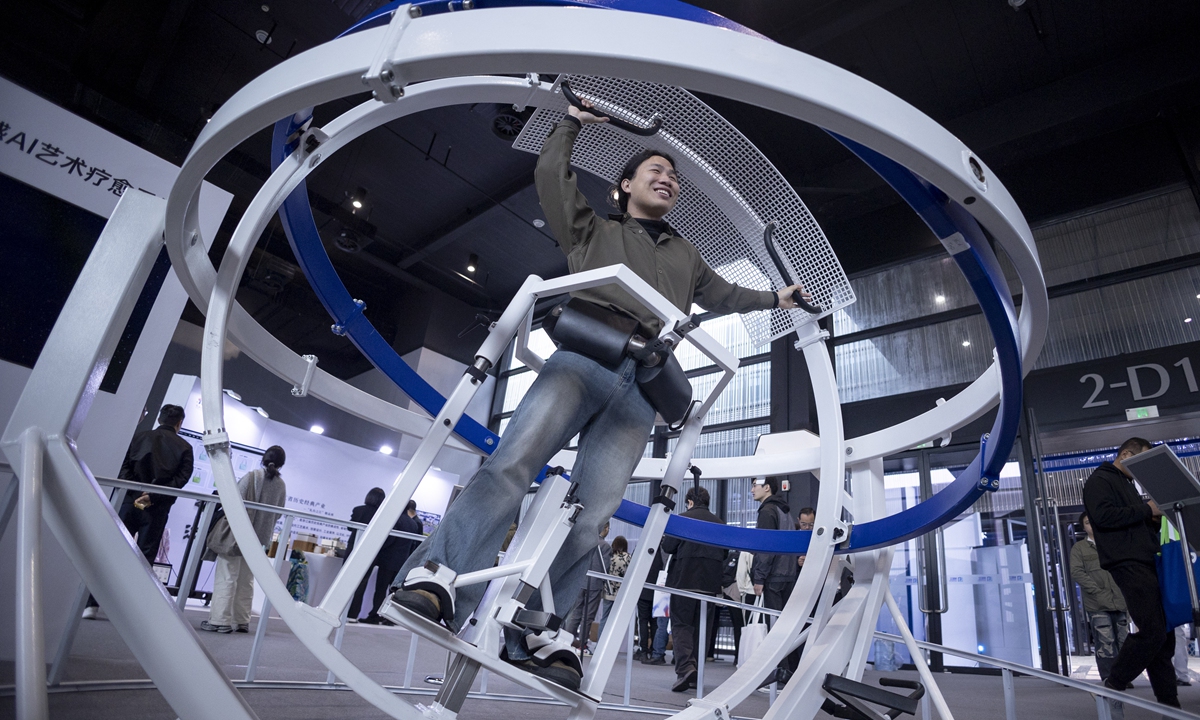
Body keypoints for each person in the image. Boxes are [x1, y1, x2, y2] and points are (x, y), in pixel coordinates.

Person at [388, 97, 808, 691]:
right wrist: (571, 124)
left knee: (594, 515)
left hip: (643, 383)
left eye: (674, 177)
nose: (668, 179)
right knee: (513, 465)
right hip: (585, 356)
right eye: (655, 172)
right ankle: (439, 578)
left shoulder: (686, 254)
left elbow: (724, 296)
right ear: (625, 185)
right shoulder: (595, 230)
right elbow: (549, 179)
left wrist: (777, 298)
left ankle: (534, 629)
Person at [1082, 437, 1179, 708]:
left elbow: (1129, 518)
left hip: (1145, 560)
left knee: (1163, 634)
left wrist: (1151, 518)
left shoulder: (1125, 483)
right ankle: (1113, 683)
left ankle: (1170, 703)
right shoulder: (1100, 480)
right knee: (1153, 631)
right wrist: (1146, 509)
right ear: (1125, 454)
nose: (1141, 471)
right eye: (1138, 462)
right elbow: (1103, 517)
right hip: (1127, 562)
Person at [84, 404, 193, 619]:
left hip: (128, 503)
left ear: (160, 418)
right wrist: (152, 496)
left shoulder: (139, 437)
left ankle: (91, 603)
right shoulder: (185, 448)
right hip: (157, 509)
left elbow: (124, 468)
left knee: (112, 551)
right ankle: (129, 608)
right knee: (145, 558)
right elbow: (181, 479)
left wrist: (136, 494)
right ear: (179, 423)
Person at [201, 446, 287, 634]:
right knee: (246, 579)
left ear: (263, 458)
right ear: (282, 464)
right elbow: (279, 514)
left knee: (227, 575)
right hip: (259, 539)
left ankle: (220, 620)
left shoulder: (252, 476)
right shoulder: (281, 485)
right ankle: (241, 620)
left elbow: (233, 502)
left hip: (238, 536)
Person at [662, 486, 726, 692]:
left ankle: (685, 668)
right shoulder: (719, 523)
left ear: (689, 502)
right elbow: (724, 553)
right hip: (709, 584)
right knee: (702, 629)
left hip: (684, 581)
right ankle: (696, 671)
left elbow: (668, 547)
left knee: (682, 626)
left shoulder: (682, 519)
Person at [1070, 511, 1129, 682]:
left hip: (1119, 599)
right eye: (1088, 523)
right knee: (1105, 642)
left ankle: (1124, 677)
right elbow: (1077, 572)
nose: (1092, 525)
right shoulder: (1079, 548)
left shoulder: (1113, 543)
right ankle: (1109, 678)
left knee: (1124, 641)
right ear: (1083, 527)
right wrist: (1096, 590)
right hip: (1097, 603)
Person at [750, 476, 799, 685]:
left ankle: (781, 671)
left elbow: (765, 548)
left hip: (773, 577)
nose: (752, 490)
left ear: (767, 488)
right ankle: (791, 670)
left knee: (775, 626)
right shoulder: (785, 510)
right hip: (789, 575)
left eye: (755, 485)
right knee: (787, 626)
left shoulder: (767, 511)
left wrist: (759, 577)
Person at [347, 491, 420, 624]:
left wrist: (379, 549)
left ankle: (375, 615)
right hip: (402, 562)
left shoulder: (394, 519)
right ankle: (390, 618)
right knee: (394, 592)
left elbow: (390, 540)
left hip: (387, 560)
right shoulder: (413, 523)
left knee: (380, 590)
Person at [563, 522, 612, 653]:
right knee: (588, 616)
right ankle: (582, 643)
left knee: (575, 613)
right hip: (595, 584)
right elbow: (605, 568)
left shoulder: (585, 541)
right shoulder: (605, 546)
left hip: (580, 581)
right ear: (606, 529)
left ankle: (567, 640)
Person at [597, 535, 631, 638]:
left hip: (608, 591)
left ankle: (600, 642)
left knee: (605, 618)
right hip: (622, 592)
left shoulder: (610, 556)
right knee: (618, 620)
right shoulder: (628, 557)